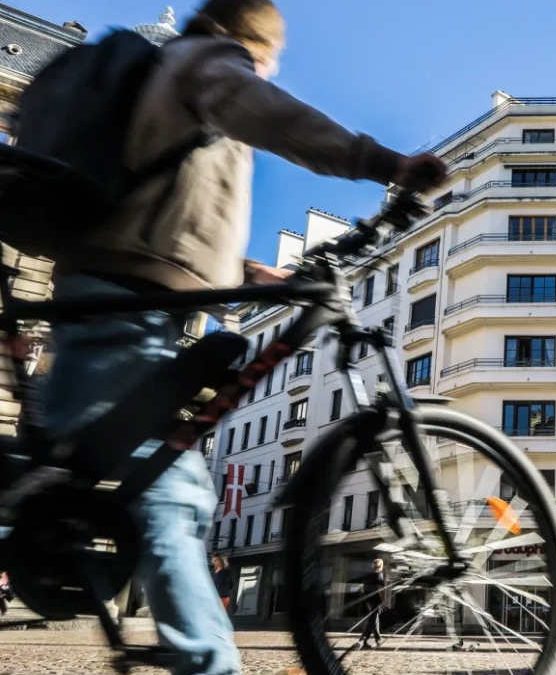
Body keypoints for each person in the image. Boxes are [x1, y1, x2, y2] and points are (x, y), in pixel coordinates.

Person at [37, 1, 446, 673]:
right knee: (169, 482)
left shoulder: (173, 87)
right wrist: (385, 163)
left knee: (158, 476)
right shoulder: (203, 64)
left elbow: (172, 216)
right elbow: (278, 117)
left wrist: (251, 272)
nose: (270, 66)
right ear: (250, 39)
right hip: (122, 306)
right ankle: (207, 660)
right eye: (269, 54)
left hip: (135, 302)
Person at [357, 558, 386, 650]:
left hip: (368, 601)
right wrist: (383, 601)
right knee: (372, 620)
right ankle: (362, 640)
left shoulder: (368, 576)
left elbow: (362, 589)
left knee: (374, 619)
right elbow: (380, 589)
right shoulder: (379, 575)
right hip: (376, 601)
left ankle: (377, 639)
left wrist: (366, 601)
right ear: (381, 566)